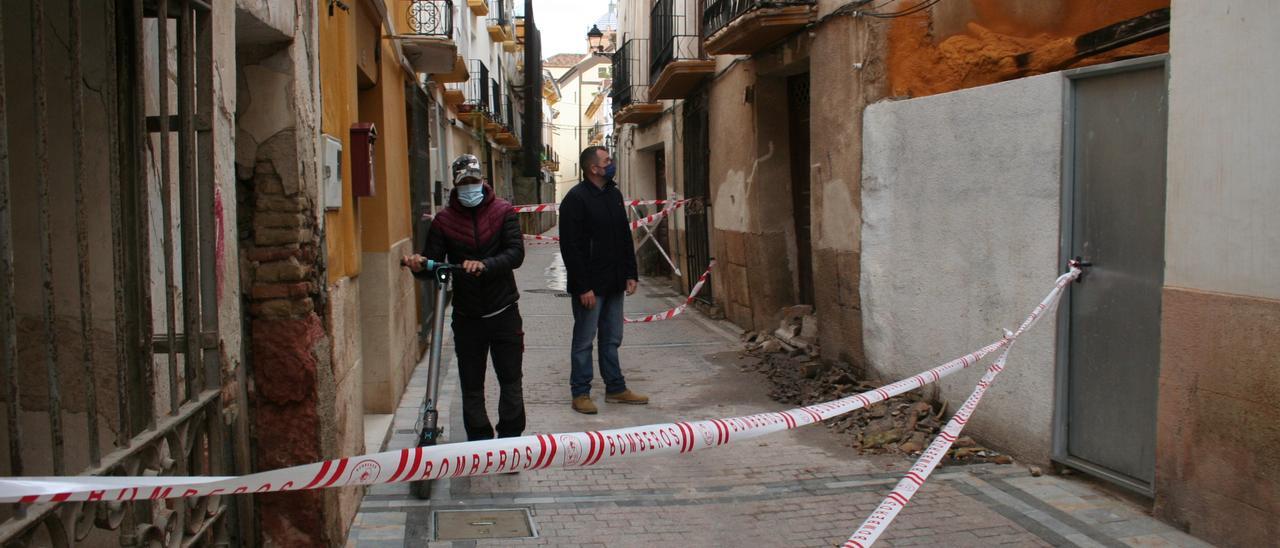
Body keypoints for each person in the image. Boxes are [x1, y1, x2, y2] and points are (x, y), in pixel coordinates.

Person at [403, 154, 526, 441]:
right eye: (463, 183)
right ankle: (479, 443)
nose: (469, 187)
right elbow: (435, 265)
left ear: (483, 180)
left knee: (511, 381)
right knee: (471, 385)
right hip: (467, 317)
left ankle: (511, 440)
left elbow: (516, 253)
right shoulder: (444, 222)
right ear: (456, 186)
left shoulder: (503, 211)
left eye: (473, 181)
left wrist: (486, 265)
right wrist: (420, 267)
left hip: (503, 311)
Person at [558, 146, 648, 414]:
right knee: (584, 340)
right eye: (606, 161)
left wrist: (630, 273)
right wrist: (583, 285)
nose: (611, 163)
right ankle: (580, 393)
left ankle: (616, 388)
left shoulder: (613, 194)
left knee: (612, 338)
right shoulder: (575, 199)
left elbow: (623, 236)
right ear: (593, 169)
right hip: (590, 286)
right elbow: (570, 248)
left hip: (615, 281)